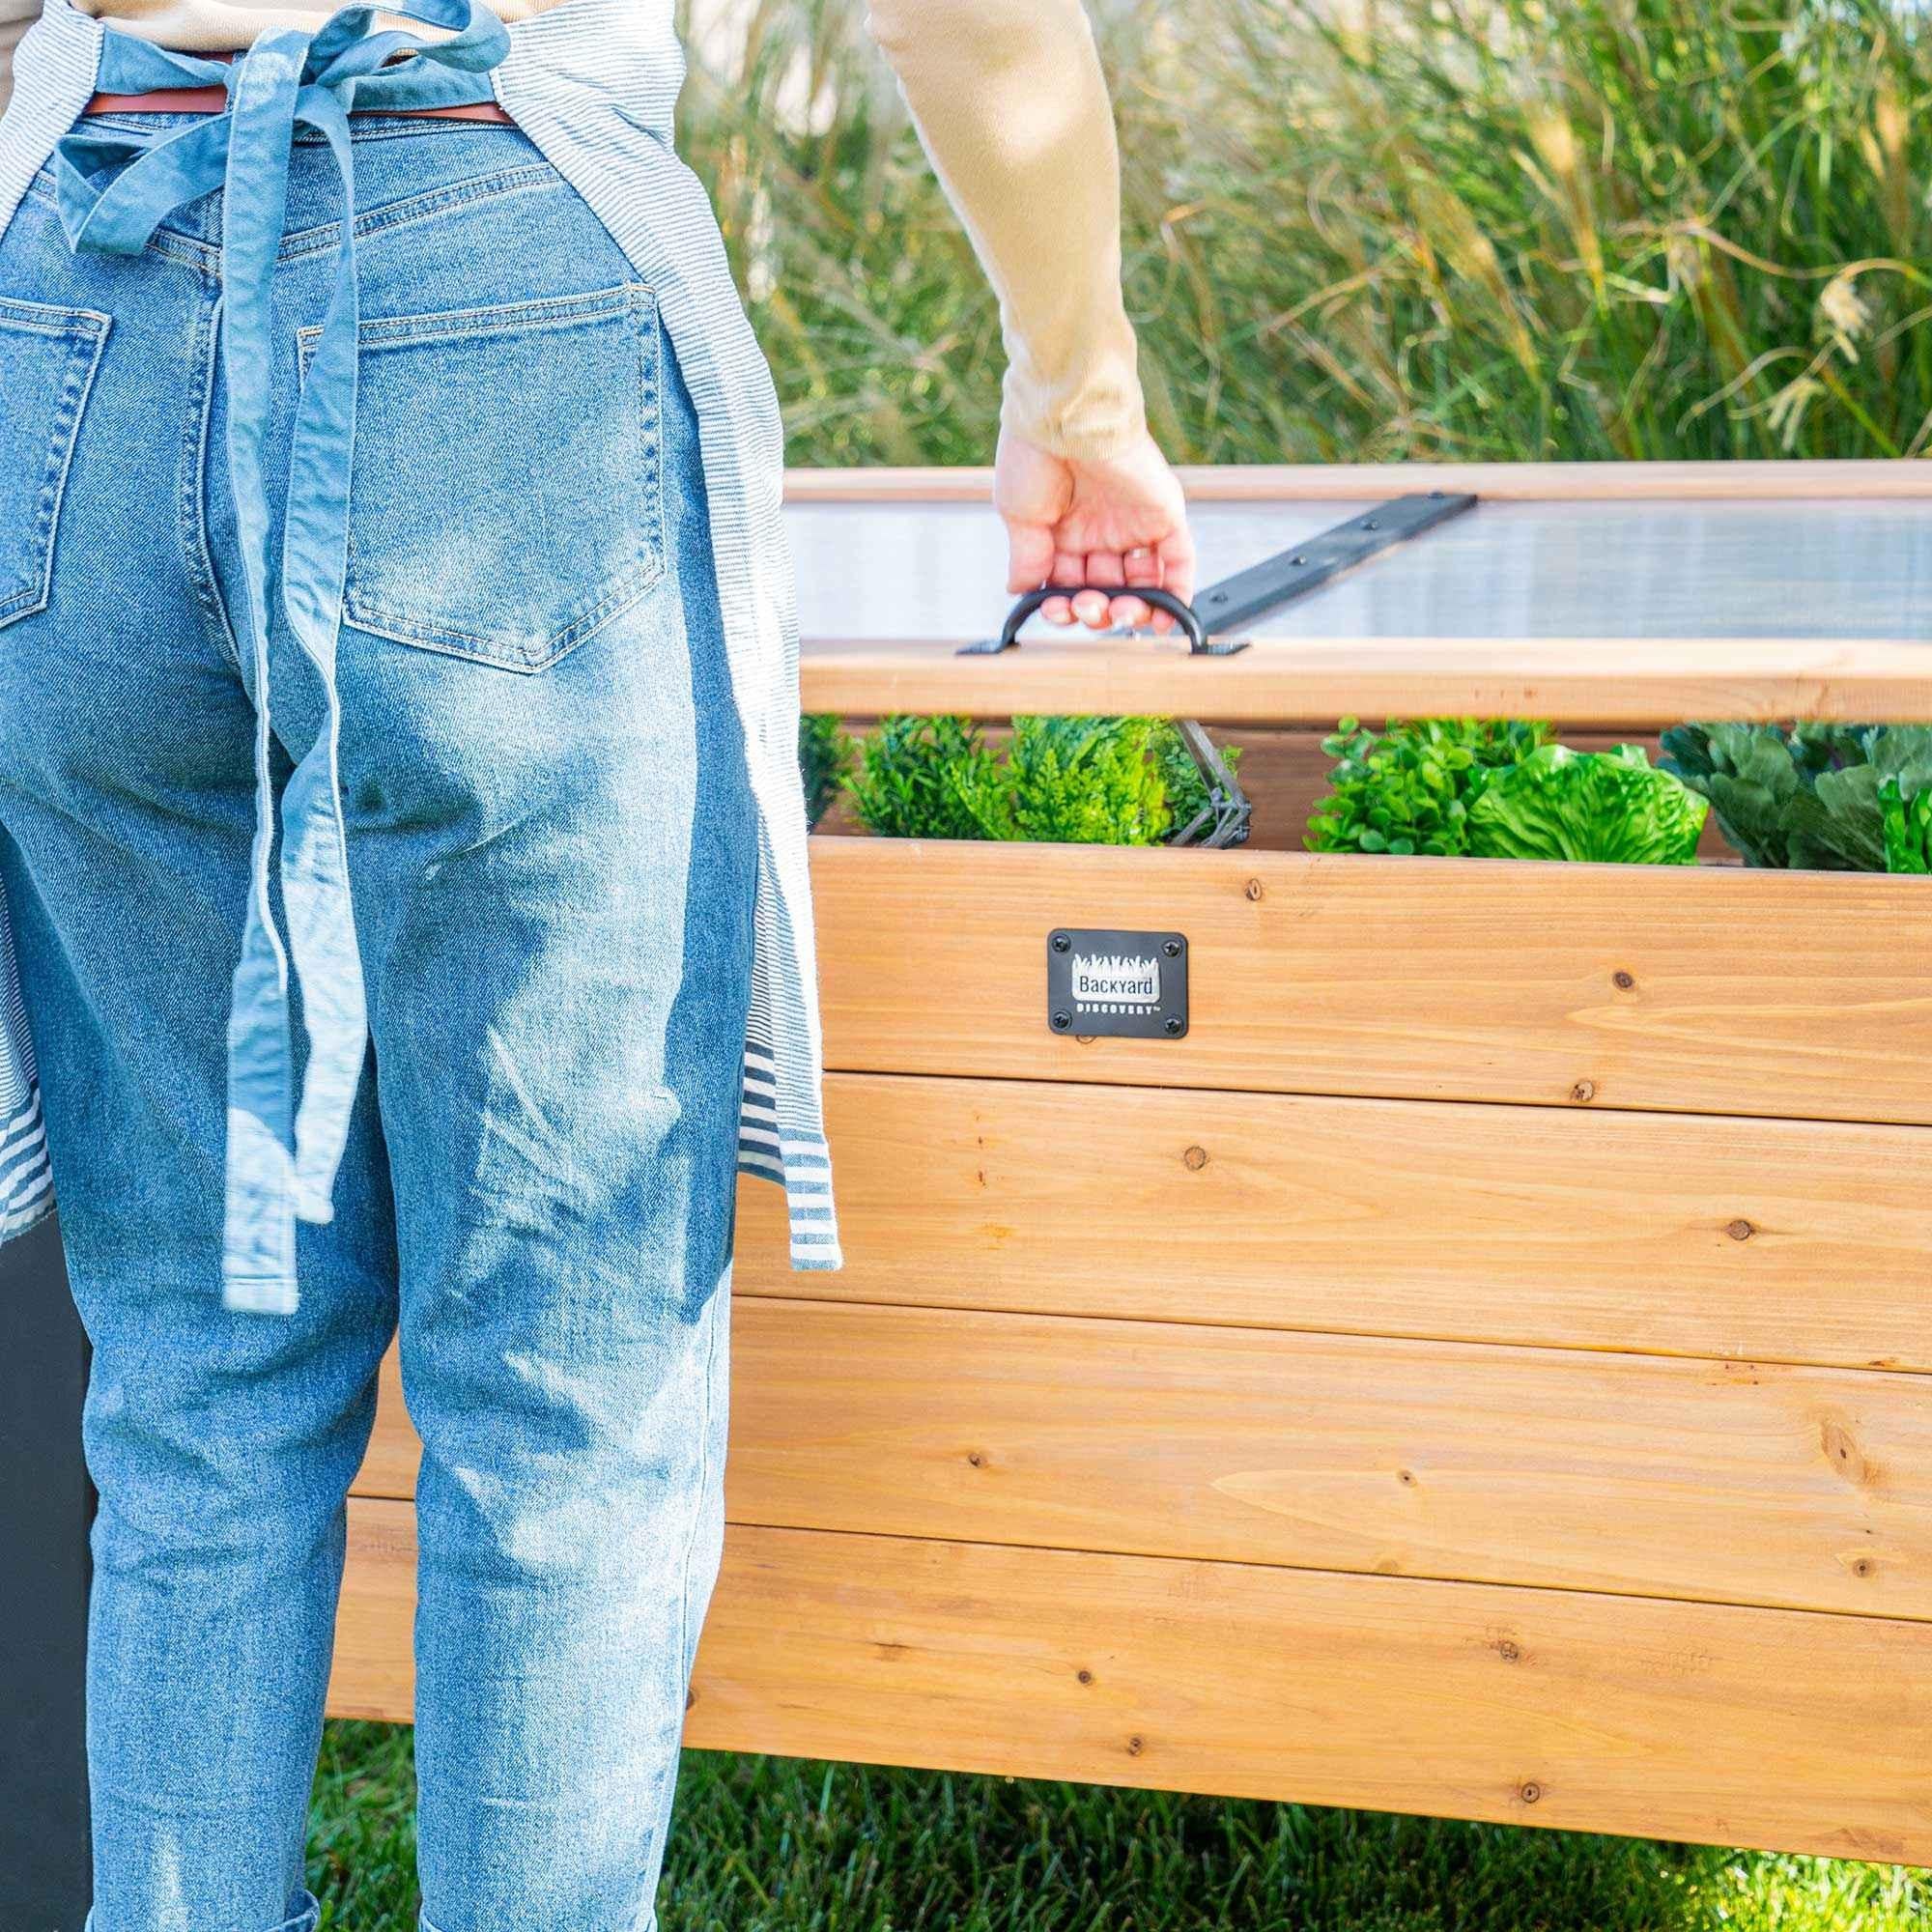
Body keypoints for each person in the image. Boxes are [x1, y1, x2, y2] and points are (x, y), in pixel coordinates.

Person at [0, 0, 1195, 1924]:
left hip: (71, 303)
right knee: (561, 1389)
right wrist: (1082, 391)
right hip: (498, 289)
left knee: (196, 1380)